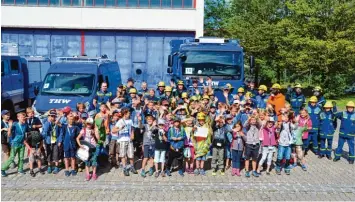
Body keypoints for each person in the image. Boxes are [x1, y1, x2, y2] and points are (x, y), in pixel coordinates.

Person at [1, 112, 30, 176]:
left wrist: (26, 139)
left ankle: (20, 169)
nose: (23, 118)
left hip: (22, 143)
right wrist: (10, 127)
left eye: (24, 117)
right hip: (15, 143)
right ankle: (2, 169)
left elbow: (27, 132)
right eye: (22, 117)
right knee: (12, 157)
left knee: (21, 157)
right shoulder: (15, 125)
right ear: (18, 118)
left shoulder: (25, 125)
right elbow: (9, 135)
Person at [113, 108, 137, 176]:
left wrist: (132, 134)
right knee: (123, 155)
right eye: (129, 113)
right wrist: (120, 128)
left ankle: (132, 167)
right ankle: (124, 168)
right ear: (125, 114)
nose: (130, 114)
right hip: (122, 140)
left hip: (129, 140)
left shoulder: (130, 121)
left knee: (131, 154)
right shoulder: (120, 121)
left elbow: (132, 128)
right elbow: (113, 130)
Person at [42, 110, 62, 174]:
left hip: (56, 141)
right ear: (49, 116)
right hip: (48, 141)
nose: (53, 117)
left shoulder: (58, 123)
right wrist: (48, 122)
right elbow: (45, 131)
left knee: (56, 154)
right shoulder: (46, 122)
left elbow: (60, 133)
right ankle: (49, 166)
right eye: (51, 116)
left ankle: (56, 167)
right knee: (49, 154)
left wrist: (60, 141)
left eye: (54, 116)